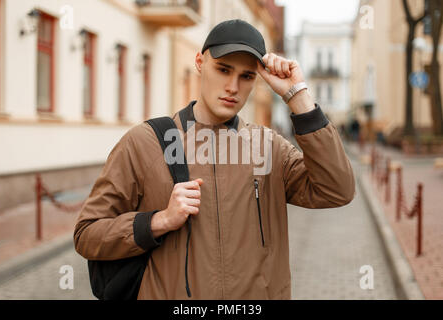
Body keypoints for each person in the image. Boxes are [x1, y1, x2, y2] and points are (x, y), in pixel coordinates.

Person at [73, 19, 355, 300]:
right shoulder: (144, 143)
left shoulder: (269, 148)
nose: (232, 87)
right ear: (199, 62)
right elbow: (87, 234)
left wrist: (298, 97)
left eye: (246, 76)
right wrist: (158, 221)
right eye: (223, 69)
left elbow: (337, 190)